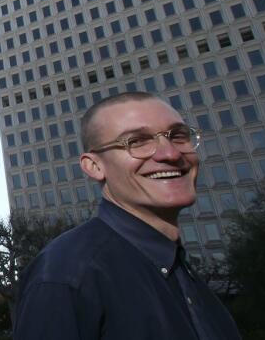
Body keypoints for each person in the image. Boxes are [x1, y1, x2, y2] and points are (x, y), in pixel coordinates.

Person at [14, 91, 241, 339]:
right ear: (94, 166)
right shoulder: (68, 274)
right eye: (137, 141)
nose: (171, 154)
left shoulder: (185, 274)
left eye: (178, 136)